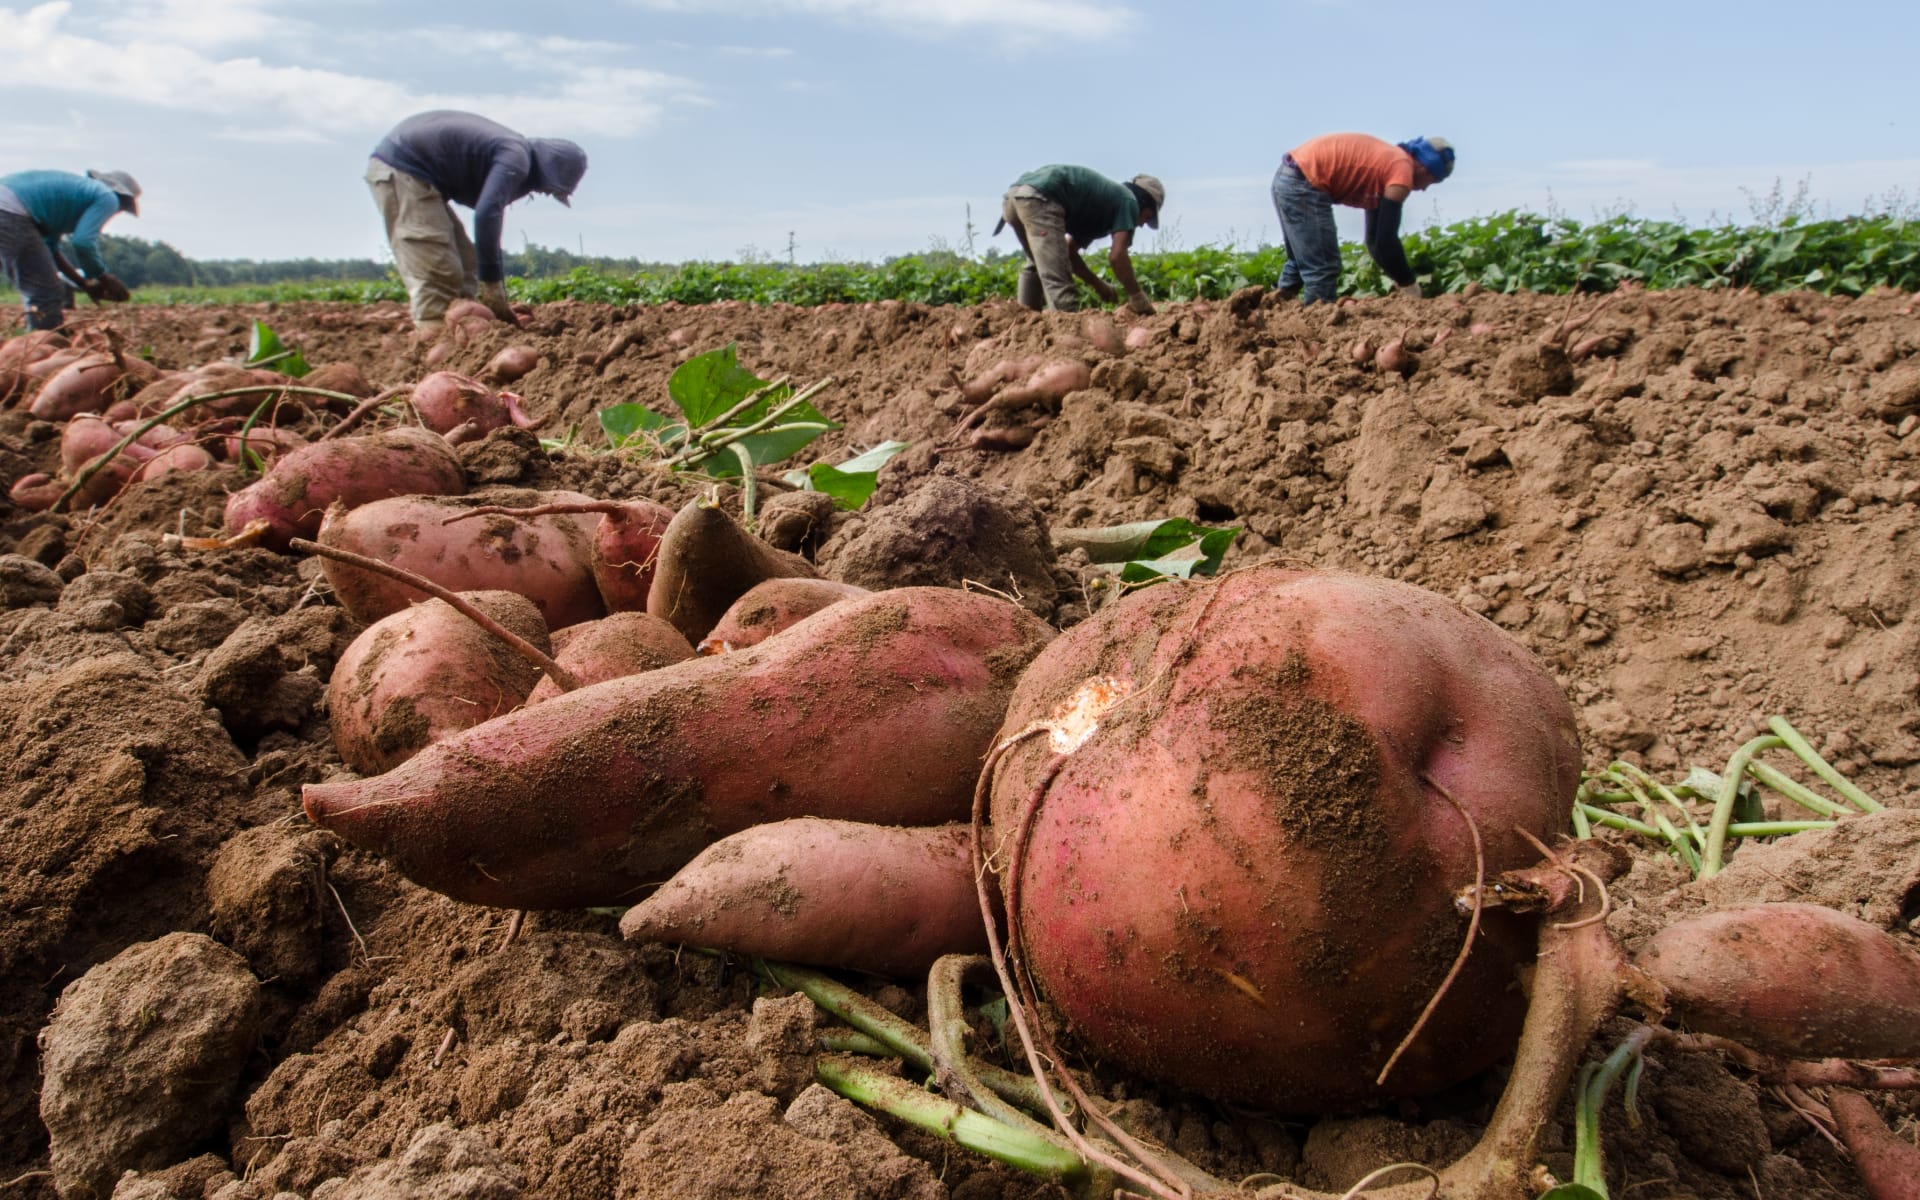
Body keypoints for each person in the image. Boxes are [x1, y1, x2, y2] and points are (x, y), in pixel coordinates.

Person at [367, 111, 588, 336]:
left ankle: (464, 333)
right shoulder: (516, 157)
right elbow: (487, 213)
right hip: (402, 169)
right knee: (437, 265)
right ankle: (432, 338)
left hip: (420, 175)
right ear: (548, 169)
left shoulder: (511, 151)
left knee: (466, 263)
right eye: (549, 187)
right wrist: (492, 284)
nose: (544, 191)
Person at [1270, 133, 1454, 304]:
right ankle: (1314, 333)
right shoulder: (1402, 172)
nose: (1424, 189)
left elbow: (1374, 242)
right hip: (1303, 183)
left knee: (1299, 261)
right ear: (1424, 168)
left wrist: (1400, 279)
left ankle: (1277, 316)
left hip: (1288, 177)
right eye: (1433, 181)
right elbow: (1386, 241)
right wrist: (1409, 283)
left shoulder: (1389, 164)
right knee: (1323, 267)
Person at [999, 165, 1163, 315]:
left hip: (1015, 197)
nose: (1142, 225)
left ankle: (1025, 328)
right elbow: (1117, 256)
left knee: (1037, 263)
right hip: (1039, 197)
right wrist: (1137, 296)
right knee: (1057, 278)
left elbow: (1070, 253)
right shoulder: (1129, 201)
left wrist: (1099, 285)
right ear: (1142, 201)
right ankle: (1067, 333)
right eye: (1146, 217)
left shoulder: (1100, 208)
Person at [0, 168, 139, 331]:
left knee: (43, 282)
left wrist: (84, 284)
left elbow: (52, 251)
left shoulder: (67, 201)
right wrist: (103, 277)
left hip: (8, 206)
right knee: (46, 291)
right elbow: (83, 242)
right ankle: (43, 346)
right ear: (122, 199)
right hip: (9, 210)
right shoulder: (108, 198)